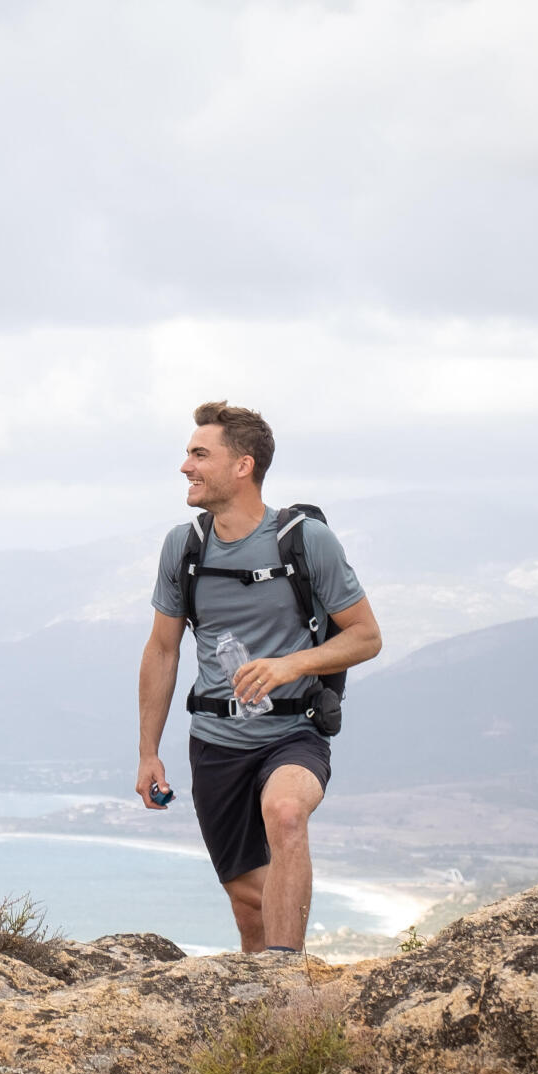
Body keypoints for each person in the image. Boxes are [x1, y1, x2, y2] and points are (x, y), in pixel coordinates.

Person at [136, 401, 382, 954]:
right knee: (249, 907)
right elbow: (162, 650)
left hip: (293, 732)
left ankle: (288, 979)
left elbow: (366, 636)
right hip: (216, 745)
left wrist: (289, 665)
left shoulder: (304, 540)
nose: (185, 467)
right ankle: (264, 1009)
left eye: (200, 454)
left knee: (287, 812)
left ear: (242, 466)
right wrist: (148, 751)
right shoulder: (185, 547)